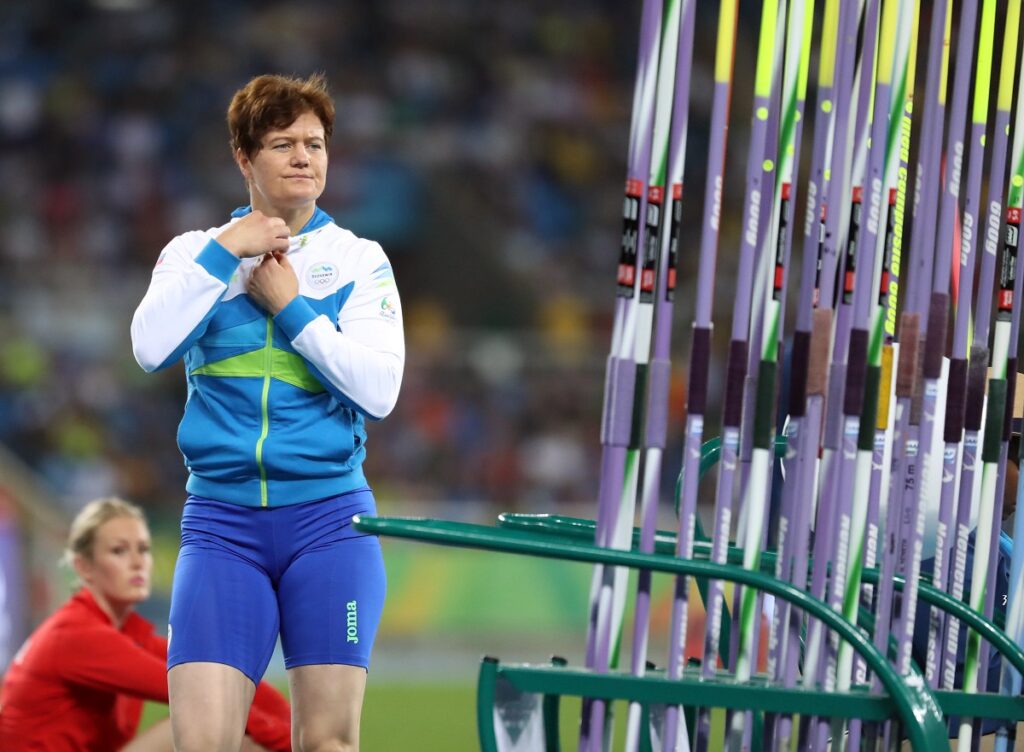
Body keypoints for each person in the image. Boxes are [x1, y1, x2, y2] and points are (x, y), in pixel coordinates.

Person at [130, 73, 404, 751]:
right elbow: (149, 348)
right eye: (283, 144)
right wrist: (227, 248)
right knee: (203, 743)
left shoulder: (358, 260)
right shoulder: (194, 254)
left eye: (315, 143)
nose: (304, 157)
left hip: (329, 525)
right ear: (244, 158)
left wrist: (292, 308)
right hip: (221, 528)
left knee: (327, 742)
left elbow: (379, 392)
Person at [0, 497, 292, 751]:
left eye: (143, 549)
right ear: (84, 566)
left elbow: (223, 677)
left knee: (218, 712)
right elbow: (200, 694)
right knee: (203, 720)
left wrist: (291, 720)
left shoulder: (124, 632)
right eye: (119, 551)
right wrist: (292, 742)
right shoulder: (77, 634)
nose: (137, 562)